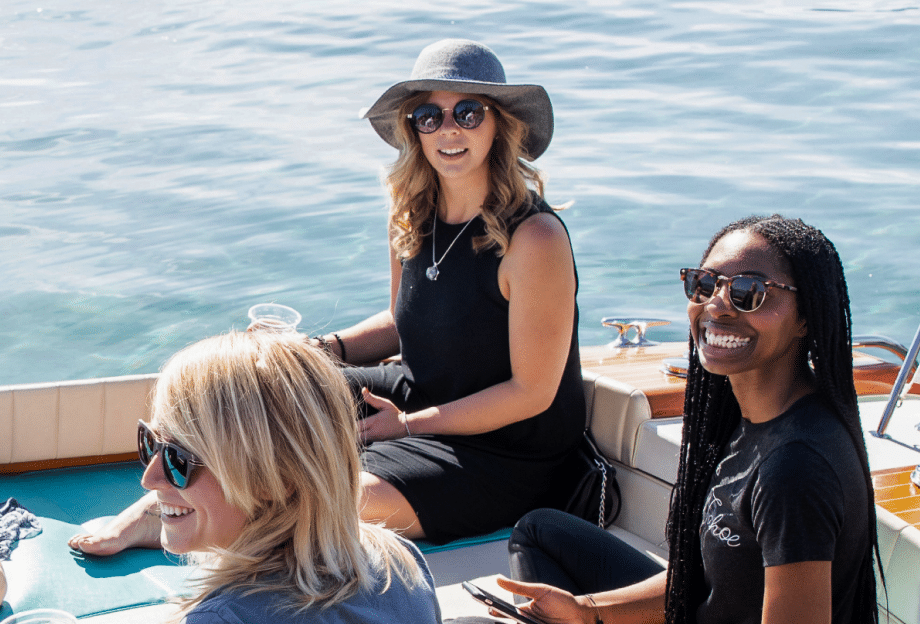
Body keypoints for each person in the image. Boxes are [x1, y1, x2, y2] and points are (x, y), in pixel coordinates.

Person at [68, 37, 586, 553]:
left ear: (499, 124)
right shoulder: (412, 214)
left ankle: (170, 518)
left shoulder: (534, 238)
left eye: (468, 113)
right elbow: (404, 319)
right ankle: (165, 503)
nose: (448, 129)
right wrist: (319, 350)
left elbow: (530, 393)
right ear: (414, 128)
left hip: (505, 451)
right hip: (415, 392)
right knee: (260, 388)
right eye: (430, 116)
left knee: (320, 497)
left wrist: (406, 427)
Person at [496, 215, 881, 623]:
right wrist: (586, 611)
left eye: (748, 292)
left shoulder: (795, 470)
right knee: (539, 531)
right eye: (704, 284)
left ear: (805, 316)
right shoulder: (757, 417)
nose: (716, 305)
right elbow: (706, 583)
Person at [125, 331, 441, 623]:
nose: (149, 479)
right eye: (151, 443)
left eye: (177, 459)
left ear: (274, 481)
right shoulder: (400, 562)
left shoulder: (223, 619)